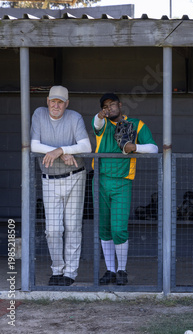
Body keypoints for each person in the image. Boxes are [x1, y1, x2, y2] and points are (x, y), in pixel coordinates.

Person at [93, 93, 158, 285]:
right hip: (101, 179)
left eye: (112, 104)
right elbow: (96, 123)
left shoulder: (136, 124)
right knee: (104, 228)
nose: (109, 108)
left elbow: (154, 148)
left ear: (120, 105)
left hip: (122, 181)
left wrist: (134, 147)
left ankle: (122, 270)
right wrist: (100, 115)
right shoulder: (102, 122)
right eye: (105, 106)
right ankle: (110, 270)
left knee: (118, 228)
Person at [30, 85, 92, 286]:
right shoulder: (39, 114)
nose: (55, 105)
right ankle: (57, 269)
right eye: (52, 101)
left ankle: (70, 273)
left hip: (75, 176)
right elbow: (33, 145)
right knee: (53, 230)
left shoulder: (74, 117)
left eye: (60, 102)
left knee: (73, 227)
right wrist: (60, 152)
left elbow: (85, 146)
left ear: (66, 103)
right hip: (49, 178)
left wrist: (62, 150)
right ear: (47, 101)